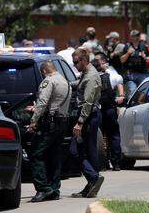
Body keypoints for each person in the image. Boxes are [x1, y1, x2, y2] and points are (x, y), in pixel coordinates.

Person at [26, 61, 71, 202]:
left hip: (50, 124)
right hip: (62, 122)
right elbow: (55, 102)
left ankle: (43, 189)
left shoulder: (48, 81)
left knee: (35, 152)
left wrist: (33, 121)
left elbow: (43, 102)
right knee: (55, 155)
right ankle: (54, 189)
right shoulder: (65, 81)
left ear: (44, 71)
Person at [70, 48, 104, 198]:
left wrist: (80, 122)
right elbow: (79, 83)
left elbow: (88, 102)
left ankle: (94, 178)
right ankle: (91, 183)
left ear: (84, 60)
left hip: (89, 116)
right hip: (89, 116)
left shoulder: (91, 76)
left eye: (76, 62)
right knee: (88, 151)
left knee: (76, 150)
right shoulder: (86, 74)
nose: (75, 65)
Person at [93, 53, 124, 171]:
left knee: (99, 136)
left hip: (98, 110)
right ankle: (116, 163)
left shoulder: (92, 76)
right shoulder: (113, 75)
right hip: (110, 109)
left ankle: (103, 163)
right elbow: (120, 86)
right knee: (114, 136)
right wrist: (121, 96)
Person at [120, 29, 149, 97]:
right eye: (134, 36)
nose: (136, 38)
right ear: (131, 37)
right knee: (132, 92)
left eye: (137, 36)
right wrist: (128, 53)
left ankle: (141, 103)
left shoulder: (143, 46)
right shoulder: (127, 46)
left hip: (142, 73)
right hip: (131, 75)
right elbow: (122, 60)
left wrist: (145, 58)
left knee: (146, 91)